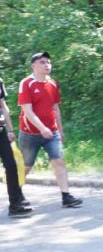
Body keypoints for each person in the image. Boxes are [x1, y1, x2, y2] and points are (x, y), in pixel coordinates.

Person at [18, 52, 82, 208]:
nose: (47, 65)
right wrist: (42, 128)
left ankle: (66, 196)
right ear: (33, 65)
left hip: (52, 132)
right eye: (42, 62)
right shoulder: (27, 83)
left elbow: (55, 108)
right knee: (26, 165)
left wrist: (60, 129)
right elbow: (27, 111)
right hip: (30, 133)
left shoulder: (52, 83)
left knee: (58, 161)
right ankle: (16, 194)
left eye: (48, 62)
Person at [0, 77, 32, 217]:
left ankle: (15, 204)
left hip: (1, 131)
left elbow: (3, 106)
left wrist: (10, 130)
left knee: (11, 165)